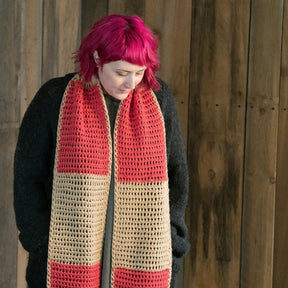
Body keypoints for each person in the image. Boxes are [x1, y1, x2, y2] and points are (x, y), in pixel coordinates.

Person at [14, 14, 190, 288]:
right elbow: (27, 175)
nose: (131, 83)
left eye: (139, 72)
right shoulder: (55, 98)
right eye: (121, 72)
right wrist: (40, 240)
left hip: (146, 253)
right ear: (96, 58)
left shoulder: (159, 99)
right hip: (67, 255)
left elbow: (176, 173)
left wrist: (172, 238)